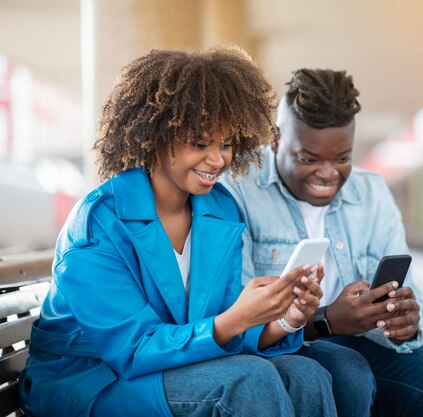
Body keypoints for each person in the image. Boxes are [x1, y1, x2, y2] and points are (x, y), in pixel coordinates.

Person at [18, 48, 338, 417]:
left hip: (171, 366)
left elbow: (220, 326)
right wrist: (236, 318)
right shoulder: (99, 223)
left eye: (227, 143)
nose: (218, 160)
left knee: (308, 374)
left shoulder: (220, 209)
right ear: (154, 135)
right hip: (89, 380)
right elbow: (133, 349)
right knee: (248, 381)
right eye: (200, 144)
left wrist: (285, 319)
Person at [222, 68, 423, 417]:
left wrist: (403, 324)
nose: (328, 173)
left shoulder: (371, 193)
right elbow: (239, 318)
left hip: (356, 343)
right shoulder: (238, 187)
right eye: (308, 158)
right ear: (275, 139)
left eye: (342, 158)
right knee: (346, 370)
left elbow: (410, 293)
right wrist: (327, 320)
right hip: (278, 344)